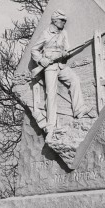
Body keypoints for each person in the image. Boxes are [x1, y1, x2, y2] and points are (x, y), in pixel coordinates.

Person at [31, 9, 90, 137]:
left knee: (74, 80)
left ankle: (79, 110)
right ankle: (51, 125)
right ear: (55, 20)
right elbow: (34, 50)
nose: (64, 22)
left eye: (65, 20)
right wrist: (42, 60)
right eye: (62, 20)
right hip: (50, 67)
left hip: (61, 65)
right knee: (51, 94)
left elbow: (67, 48)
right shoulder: (46, 34)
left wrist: (65, 53)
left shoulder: (64, 33)